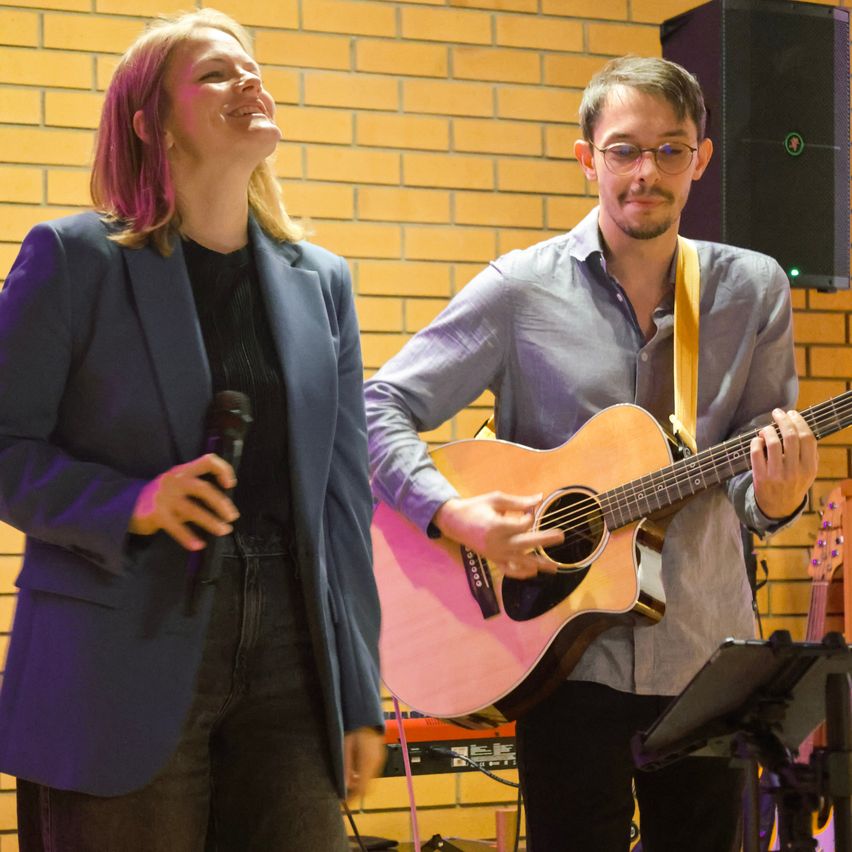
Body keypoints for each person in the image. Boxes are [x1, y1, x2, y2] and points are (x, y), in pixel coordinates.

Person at [365, 55, 818, 852]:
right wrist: (453, 511)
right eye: (624, 149)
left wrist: (780, 497)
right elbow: (377, 408)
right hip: (558, 658)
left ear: (700, 159)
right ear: (588, 159)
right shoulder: (517, 291)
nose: (647, 171)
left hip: (705, 659)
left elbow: (756, 487)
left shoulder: (750, 291)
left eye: (670, 149)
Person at [0, 9, 384, 851]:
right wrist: (131, 502)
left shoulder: (323, 282)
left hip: (295, 653)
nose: (249, 81)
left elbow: (344, 501)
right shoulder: (75, 259)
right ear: (152, 124)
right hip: (116, 646)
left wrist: (359, 693)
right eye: (216, 73)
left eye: (252, 67)